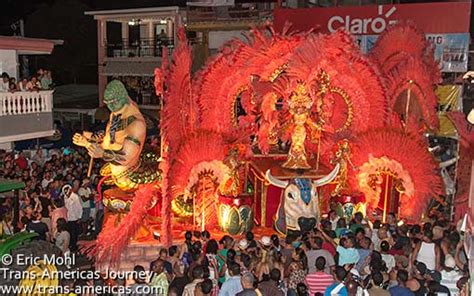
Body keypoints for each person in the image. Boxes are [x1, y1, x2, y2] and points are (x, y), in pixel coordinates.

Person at [63, 184, 82, 251]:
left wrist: (79, 217)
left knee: (74, 233)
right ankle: (71, 245)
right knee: (69, 233)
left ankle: (74, 246)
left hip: (74, 218)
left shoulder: (75, 197)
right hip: (68, 217)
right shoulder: (65, 197)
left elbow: (79, 207)